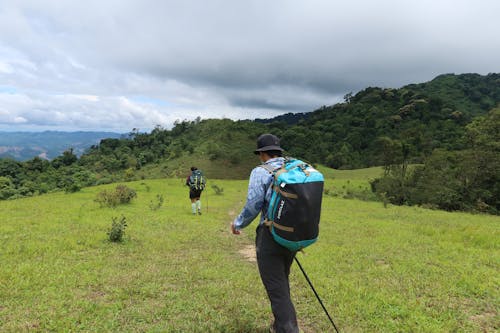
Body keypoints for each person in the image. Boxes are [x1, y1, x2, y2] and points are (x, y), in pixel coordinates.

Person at [231, 134, 299, 333]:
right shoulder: (293, 167)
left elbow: (253, 205)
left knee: (276, 287)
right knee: (281, 278)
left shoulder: (261, 171)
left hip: (270, 235)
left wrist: (238, 223)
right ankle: (279, 325)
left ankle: (287, 329)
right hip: (293, 234)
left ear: (262, 154)